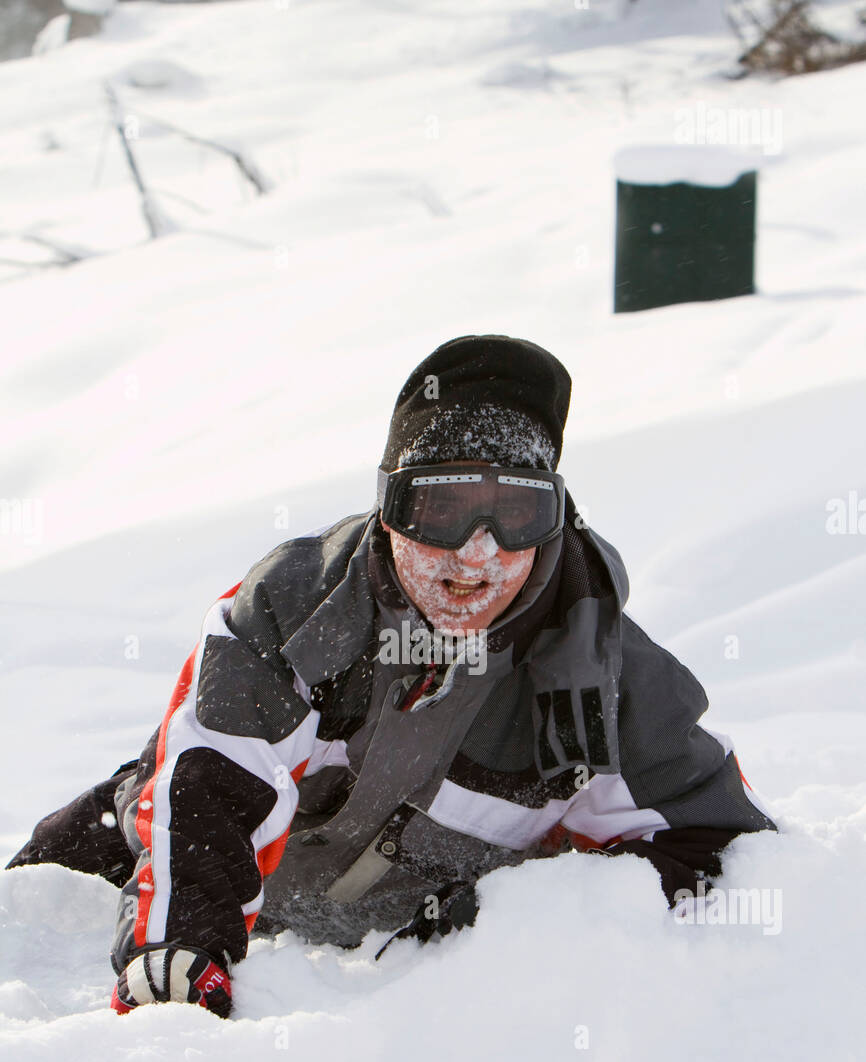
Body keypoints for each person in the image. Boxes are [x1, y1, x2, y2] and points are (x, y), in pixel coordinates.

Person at [6, 334, 776, 1018]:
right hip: (165, 865)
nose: (477, 555)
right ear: (388, 509)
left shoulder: (611, 682)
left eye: (517, 514)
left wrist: (510, 918)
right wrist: (179, 956)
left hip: (391, 957)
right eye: (441, 510)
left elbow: (725, 850)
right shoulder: (295, 610)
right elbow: (209, 787)